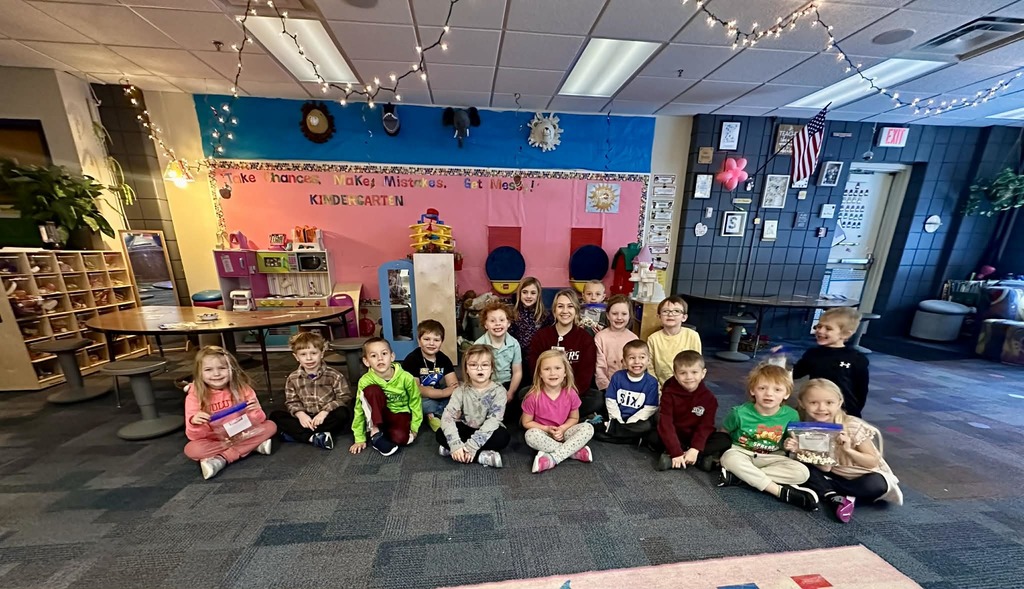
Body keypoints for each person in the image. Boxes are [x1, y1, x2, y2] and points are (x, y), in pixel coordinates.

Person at [788, 379, 902, 522]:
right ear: (802, 403)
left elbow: (872, 462)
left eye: (829, 403)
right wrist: (796, 448)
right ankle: (834, 497)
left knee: (877, 484)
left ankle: (827, 492)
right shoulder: (801, 425)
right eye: (813, 402)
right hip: (825, 471)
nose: (821, 408)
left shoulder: (852, 426)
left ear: (839, 402)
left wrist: (849, 450)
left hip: (856, 474)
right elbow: (821, 465)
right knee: (799, 467)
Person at [718, 363, 818, 511]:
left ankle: (740, 478)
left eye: (777, 389)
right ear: (753, 391)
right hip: (742, 452)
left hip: (772, 457)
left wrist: (791, 444)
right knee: (728, 458)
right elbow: (723, 432)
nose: (769, 394)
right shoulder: (739, 413)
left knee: (803, 473)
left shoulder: (792, 415)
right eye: (762, 388)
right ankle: (779, 491)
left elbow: (789, 441)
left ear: (786, 394)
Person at [184, 346, 277, 480]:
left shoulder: (243, 388)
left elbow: (259, 420)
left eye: (222, 368)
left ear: (232, 369)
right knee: (192, 449)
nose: (216, 374)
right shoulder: (194, 396)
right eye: (208, 370)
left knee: (270, 426)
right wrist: (194, 422)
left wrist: (254, 411)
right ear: (199, 373)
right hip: (215, 439)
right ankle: (251, 447)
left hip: (242, 432)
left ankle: (223, 458)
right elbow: (194, 436)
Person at [269, 332, 353, 450]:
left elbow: (344, 397)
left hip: (326, 417)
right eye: (303, 354)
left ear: (322, 353)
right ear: (296, 357)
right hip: (306, 418)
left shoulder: (334, 375)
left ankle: (299, 435)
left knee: (343, 413)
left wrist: (324, 412)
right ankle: (313, 437)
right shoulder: (292, 378)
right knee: (275, 416)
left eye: (313, 353)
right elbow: (292, 402)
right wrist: (300, 414)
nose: (309, 358)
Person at [529, 289, 600, 418]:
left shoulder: (585, 338)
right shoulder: (542, 336)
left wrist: (565, 396)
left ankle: (549, 416)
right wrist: (550, 393)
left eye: (570, 306)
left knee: (597, 398)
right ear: (554, 311)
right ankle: (567, 416)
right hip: (546, 392)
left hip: (573, 393)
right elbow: (534, 368)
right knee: (523, 395)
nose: (565, 311)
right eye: (560, 306)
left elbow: (586, 375)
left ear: (576, 311)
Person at [521, 349, 595, 473]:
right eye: (547, 369)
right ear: (540, 373)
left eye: (557, 368)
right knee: (530, 435)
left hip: (564, 431)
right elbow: (526, 422)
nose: (552, 373)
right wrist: (547, 429)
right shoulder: (533, 396)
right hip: (544, 433)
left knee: (588, 428)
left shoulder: (571, 393)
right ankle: (573, 452)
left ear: (565, 372)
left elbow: (574, 418)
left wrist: (562, 428)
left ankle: (553, 458)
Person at [656, 351, 732, 471]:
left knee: (724, 439)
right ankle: (696, 458)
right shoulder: (668, 394)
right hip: (676, 434)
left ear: (703, 373)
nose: (689, 377)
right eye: (683, 373)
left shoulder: (709, 399)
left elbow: (706, 426)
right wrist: (675, 450)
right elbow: (666, 423)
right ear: (675, 375)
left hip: (695, 436)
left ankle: (682, 457)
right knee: (654, 432)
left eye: (694, 372)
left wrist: (695, 448)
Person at [437, 344, 509, 468]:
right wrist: (455, 443)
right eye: (473, 365)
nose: (479, 369)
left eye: (485, 365)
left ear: (492, 368)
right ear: (466, 369)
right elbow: (448, 416)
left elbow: (493, 420)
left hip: (488, 430)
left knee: (503, 437)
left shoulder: (499, 391)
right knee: (439, 433)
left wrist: (472, 446)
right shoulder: (460, 390)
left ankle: (457, 452)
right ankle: (480, 456)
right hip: (467, 427)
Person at [349, 337, 422, 457]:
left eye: (384, 353)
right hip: (378, 414)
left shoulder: (406, 377)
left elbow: (416, 402)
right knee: (372, 390)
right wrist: (359, 438)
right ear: (366, 362)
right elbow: (359, 408)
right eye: (373, 356)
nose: (380, 358)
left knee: (403, 439)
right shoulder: (365, 380)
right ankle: (374, 431)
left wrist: (414, 428)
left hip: (399, 413)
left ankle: (385, 434)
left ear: (392, 357)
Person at [792, 307, 869, 417]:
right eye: (819, 326)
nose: (820, 331)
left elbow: (861, 390)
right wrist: (779, 361)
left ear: (845, 334)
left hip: (844, 412)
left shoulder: (856, 359)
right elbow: (795, 373)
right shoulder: (813, 354)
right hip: (816, 409)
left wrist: (854, 414)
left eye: (828, 328)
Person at [597, 339, 660, 445]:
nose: (637, 362)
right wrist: (618, 421)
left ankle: (615, 433)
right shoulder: (617, 377)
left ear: (648, 360)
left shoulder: (652, 382)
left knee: (646, 426)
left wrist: (628, 423)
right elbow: (610, 400)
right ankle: (632, 439)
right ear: (624, 362)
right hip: (617, 418)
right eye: (632, 358)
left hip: (637, 421)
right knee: (597, 430)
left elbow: (650, 408)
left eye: (642, 357)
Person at [402, 319, 458, 432]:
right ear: (419, 340)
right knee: (420, 404)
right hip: (417, 397)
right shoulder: (412, 359)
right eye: (426, 339)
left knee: (459, 396)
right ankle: (439, 414)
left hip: (436, 392)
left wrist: (452, 391)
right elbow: (416, 389)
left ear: (442, 341)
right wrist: (443, 393)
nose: (431, 343)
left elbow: (454, 384)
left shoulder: (444, 359)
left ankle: (436, 414)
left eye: (436, 340)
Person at [474, 300, 523, 426]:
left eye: (502, 320)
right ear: (485, 324)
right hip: (485, 384)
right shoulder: (479, 345)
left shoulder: (514, 344)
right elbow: (474, 374)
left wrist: (510, 393)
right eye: (492, 321)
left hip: (506, 385)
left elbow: (517, 372)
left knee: (512, 415)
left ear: (508, 323)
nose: (497, 324)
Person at [647, 296, 702, 387]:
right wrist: (656, 387)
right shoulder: (653, 339)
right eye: (665, 311)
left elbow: (697, 364)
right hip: (662, 387)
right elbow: (650, 368)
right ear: (659, 316)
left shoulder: (692, 336)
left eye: (676, 311)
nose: (670, 314)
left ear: (684, 317)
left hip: (687, 385)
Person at [508, 276, 551, 379]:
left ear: (538, 295)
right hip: (517, 359)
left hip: (538, 359)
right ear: (519, 293)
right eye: (525, 292)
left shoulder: (545, 316)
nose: (528, 296)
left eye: (533, 293)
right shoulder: (512, 314)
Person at [594, 294, 637, 391]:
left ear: (629, 315)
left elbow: (637, 366)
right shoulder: (600, 338)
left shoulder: (634, 339)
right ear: (608, 315)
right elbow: (599, 369)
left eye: (624, 314)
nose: (619, 317)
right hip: (607, 388)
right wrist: (608, 389)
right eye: (614, 313)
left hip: (630, 388)